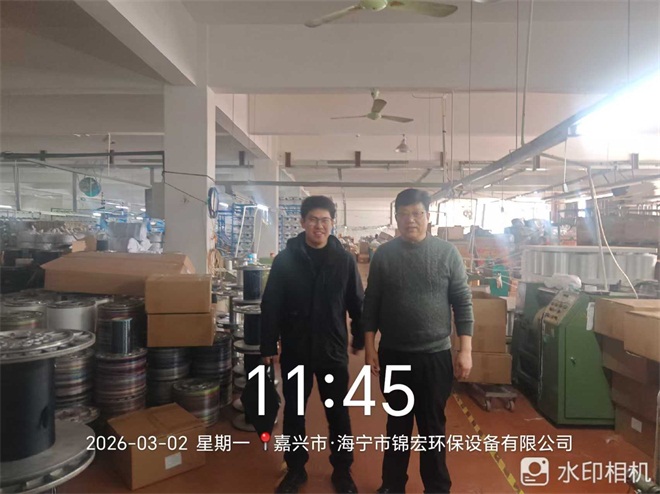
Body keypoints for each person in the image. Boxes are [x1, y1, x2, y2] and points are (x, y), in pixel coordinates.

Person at [362, 188, 474, 494]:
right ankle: (392, 484)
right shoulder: (384, 256)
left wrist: (465, 350)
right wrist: (370, 347)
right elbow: (371, 304)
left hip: (435, 357)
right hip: (394, 355)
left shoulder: (447, 254)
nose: (410, 220)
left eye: (417, 213)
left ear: (428, 216)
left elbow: (462, 303)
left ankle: (437, 488)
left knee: (432, 427)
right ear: (396, 218)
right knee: (397, 424)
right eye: (404, 214)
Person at [261, 195, 365, 494]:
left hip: (332, 350)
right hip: (296, 349)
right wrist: (268, 345)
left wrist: (359, 337)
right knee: (294, 412)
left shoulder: (344, 260)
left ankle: (342, 471)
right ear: (303, 222)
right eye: (313, 220)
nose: (319, 226)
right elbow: (271, 305)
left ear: (332, 223)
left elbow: (357, 303)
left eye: (325, 220)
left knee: (337, 412)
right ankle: (295, 469)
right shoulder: (285, 260)